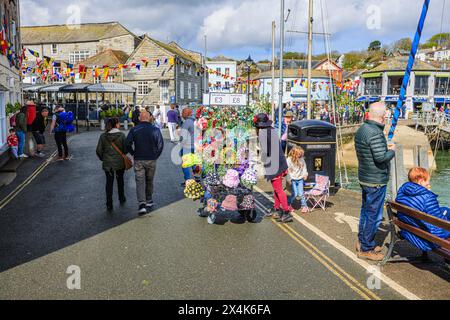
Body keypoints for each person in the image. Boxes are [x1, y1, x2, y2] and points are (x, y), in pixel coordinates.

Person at [354, 102, 396, 261]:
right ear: (381, 116)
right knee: (374, 216)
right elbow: (380, 158)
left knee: (365, 212)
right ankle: (366, 249)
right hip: (375, 180)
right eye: (386, 115)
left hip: (365, 177)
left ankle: (362, 241)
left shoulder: (362, 130)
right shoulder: (375, 133)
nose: (387, 117)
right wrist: (391, 151)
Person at [395, 167, 450, 252]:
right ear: (421, 181)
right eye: (427, 181)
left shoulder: (403, 191)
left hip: (409, 227)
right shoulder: (428, 197)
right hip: (426, 238)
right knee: (446, 217)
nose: (429, 183)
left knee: (445, 210)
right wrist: (428, 193)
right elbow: (439, 223)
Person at [254, 113, 293, 223]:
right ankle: (277, 208)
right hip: (279, 162)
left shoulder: (263, 133)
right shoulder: (271, 130)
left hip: (274, 165)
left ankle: (286, 212)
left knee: (279, 190)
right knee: (276, 189)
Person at [126, 111, 164, 215]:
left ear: (139, 118)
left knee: (140, 181)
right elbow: (160, 145)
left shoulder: (134, 129)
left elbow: (127, 143)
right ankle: (149, 200)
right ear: (149, 118)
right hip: (151, 159)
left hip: (139, 159)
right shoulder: (155, 130)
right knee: (149, 179)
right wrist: (155, 155)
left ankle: (142, 204)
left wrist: (133, 153)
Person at [96, 117, 127, 212]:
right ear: (116, 124)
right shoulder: (121, 135)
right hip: (119, 162)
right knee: (120, 180)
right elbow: (125, 150)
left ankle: (109, 203)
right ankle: (121, 198)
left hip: (108, 164)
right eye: (118, 123)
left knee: (109, 183)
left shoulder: (103, 136)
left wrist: (104, 159)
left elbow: (98, 151)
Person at [287, 146, 309, 213]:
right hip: (293, 179)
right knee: (295, 194)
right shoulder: (289, 160)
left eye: (301, 154)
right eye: (299, 154)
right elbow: (287, 170)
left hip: (300, 179)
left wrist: (305, 174)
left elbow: (304, 167)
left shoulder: (301, 159)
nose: (300, 156)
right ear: (294, 153)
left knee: (301, 193)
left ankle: (304, 206)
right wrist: (289, 179)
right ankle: (288, 204)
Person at [178, 107, 196, 186]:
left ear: (187, 114)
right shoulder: (195, 121)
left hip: (188, 146)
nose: (181, 114)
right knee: (194, 163)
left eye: (183, 113)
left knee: (185, 164)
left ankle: (188, 180)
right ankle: (197, 179)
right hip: (195, 145)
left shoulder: (187, 122)